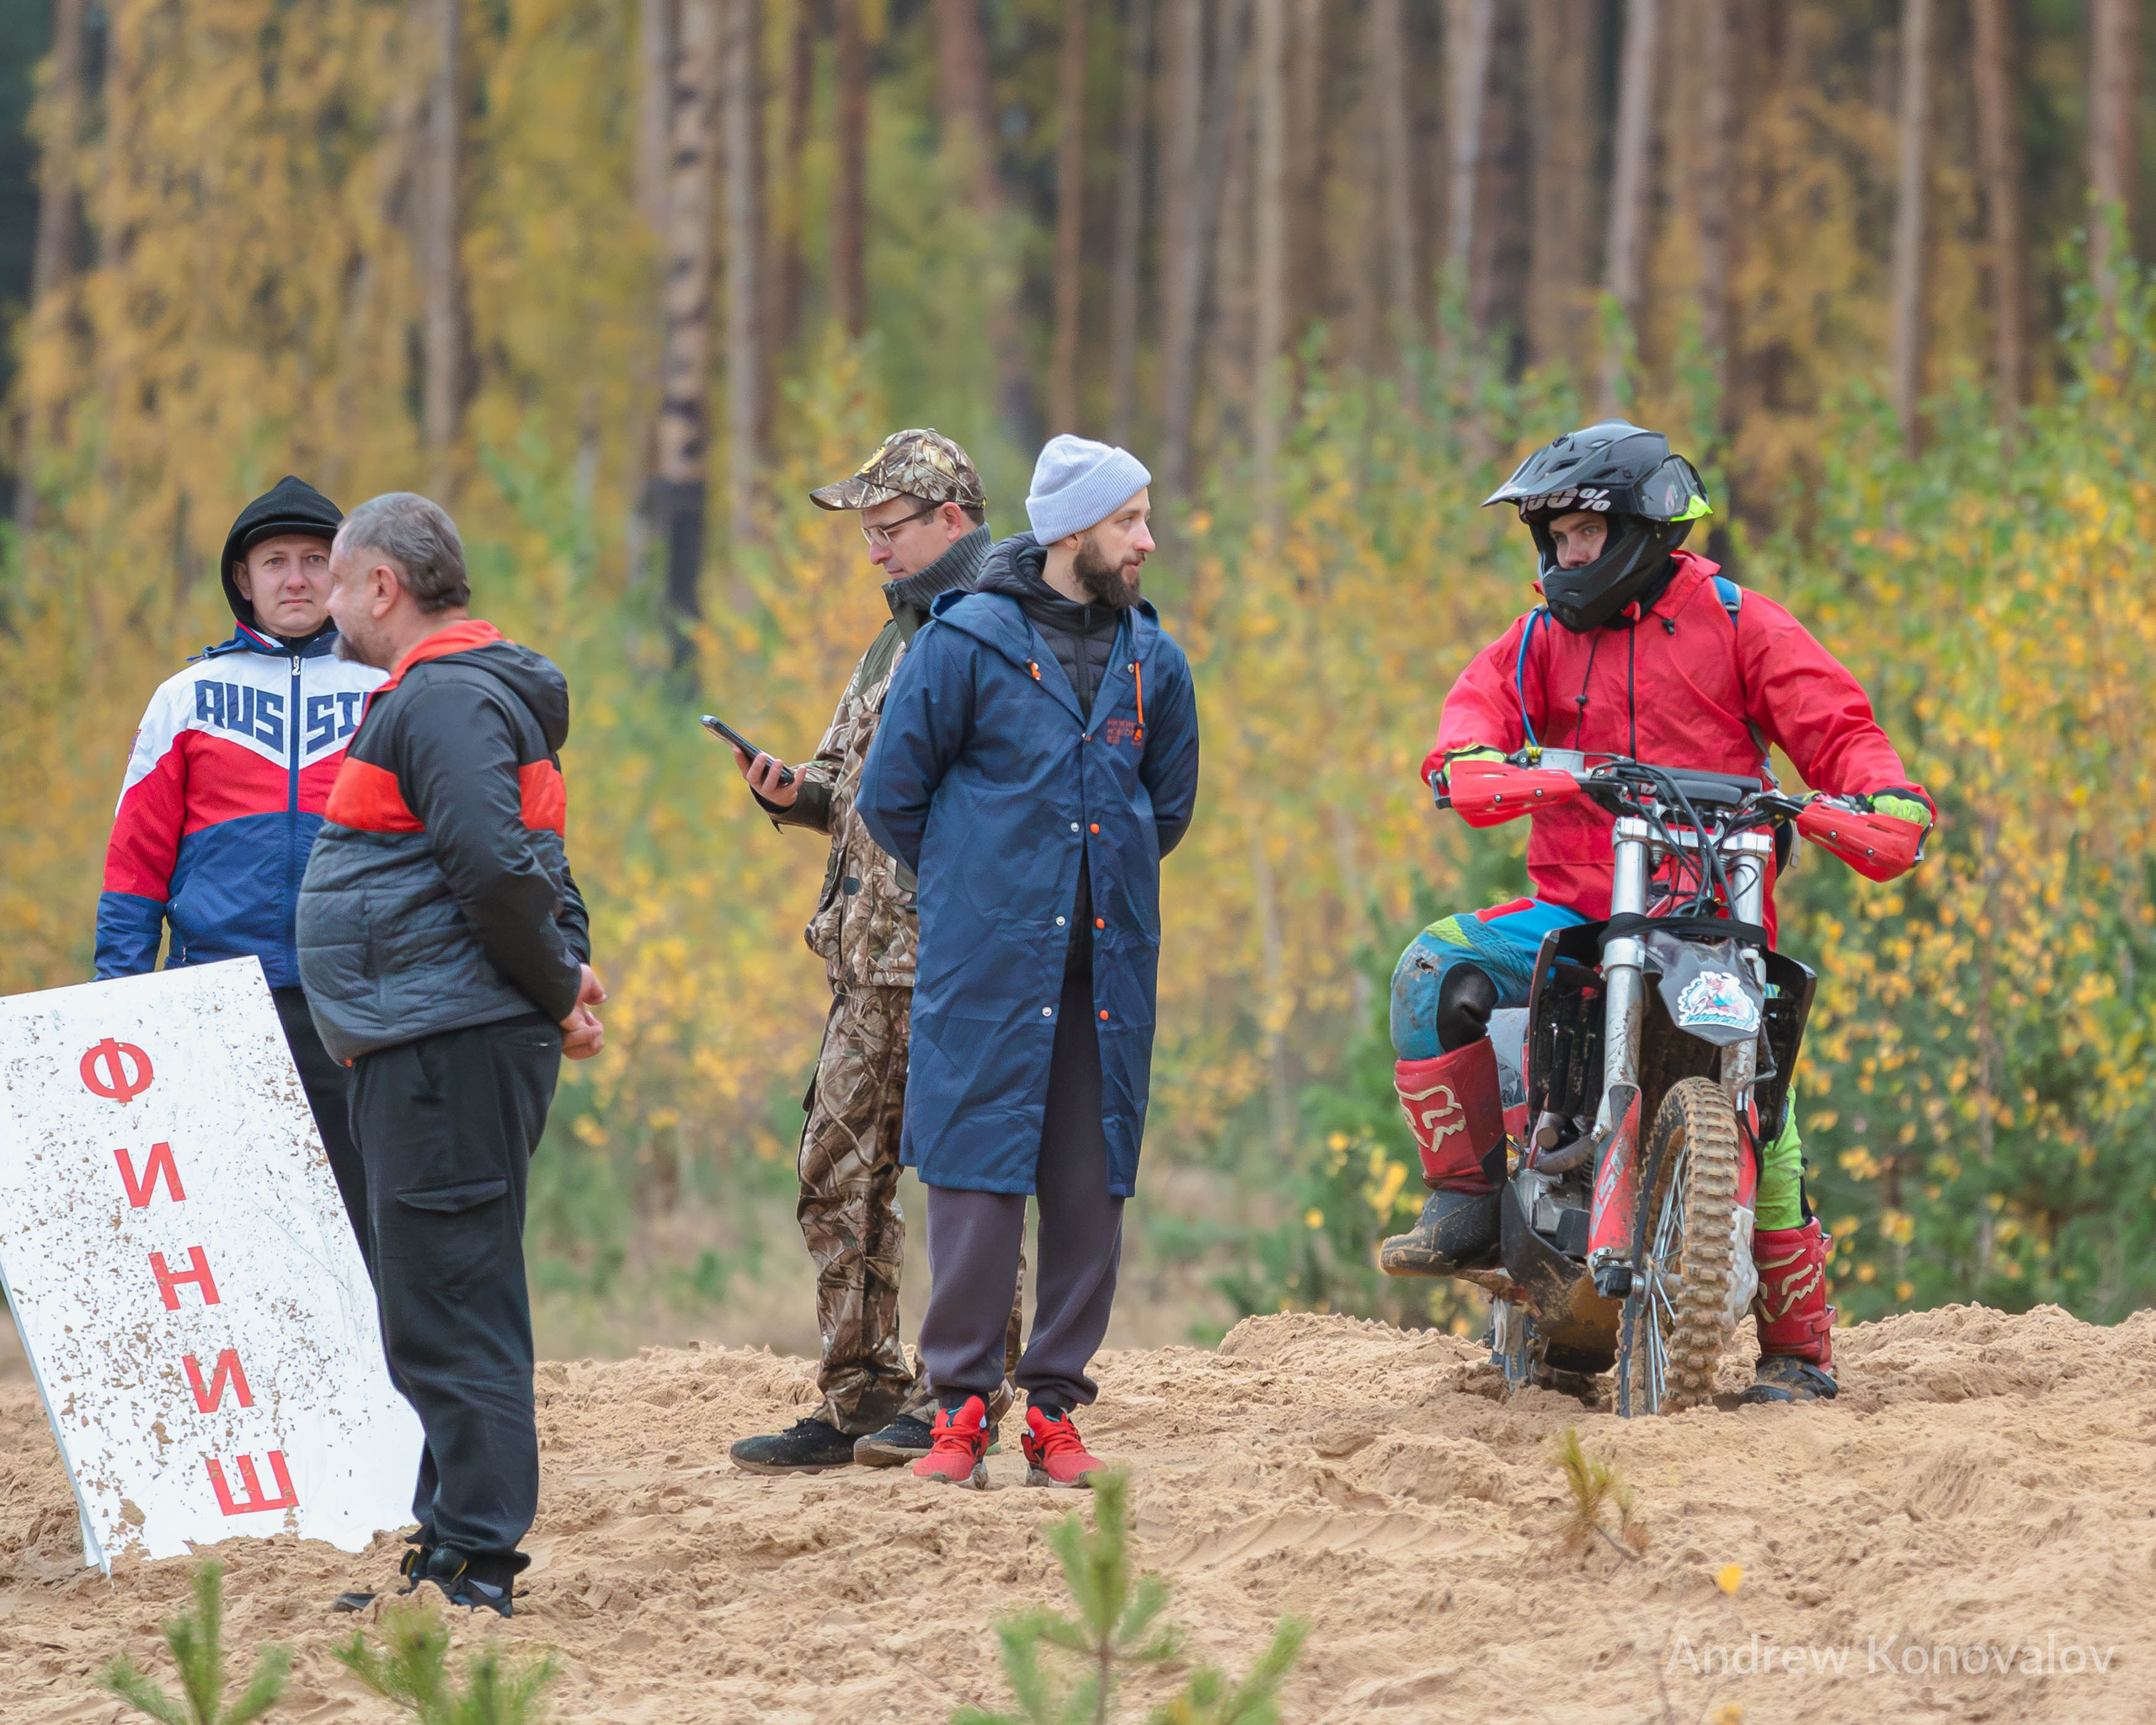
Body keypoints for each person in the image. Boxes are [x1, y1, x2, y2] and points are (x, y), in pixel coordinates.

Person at [1380, 419, 1934, 1404]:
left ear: (1640, 526)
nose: (1562, 552)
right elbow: (1475, 711)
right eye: (1550, 535)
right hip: (1573, 910)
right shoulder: (1540, 637)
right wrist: (1468, 755)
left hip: (1713, 919)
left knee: (1769, 1106)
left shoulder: (1737, 621)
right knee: (1433, 968)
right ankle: (1465, 1203)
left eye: (1581, 531)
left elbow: (1838, 725)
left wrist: (1880, 794)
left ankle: (1799, 1349)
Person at [857, 434, 1201, 1488]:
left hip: (1106, 970)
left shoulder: (1157, 659)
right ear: (1071, 533)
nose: (1147, 539)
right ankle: (959, 1408)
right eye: (1128, 520)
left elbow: (1169, 807)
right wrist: (981, 885)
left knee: (1090, 1184)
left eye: (1144, 517)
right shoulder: (966, 642)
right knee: (972, 1177)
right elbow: (889, 796)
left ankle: (1054, 1409)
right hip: (988, 969)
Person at [296, 492, 606, 1616]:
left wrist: (555, 982)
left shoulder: (444, 701)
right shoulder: (456, 698)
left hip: (443, 1047)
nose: (324, 600)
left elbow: (494, 868)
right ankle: (447, 1545)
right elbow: (531, 862)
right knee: (436, 1298)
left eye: (334, 577)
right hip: (433, 1040)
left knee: (455, 1301)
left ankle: (476, 1563)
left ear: (382, 585)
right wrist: (564, 973)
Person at [724, 428, 1026, 1475]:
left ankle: (964, 1395)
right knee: (833, 1173)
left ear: (951, 521)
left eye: (886, 529)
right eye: (865, 531)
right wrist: (797, 793)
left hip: (955, 960)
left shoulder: (1001, 627)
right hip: (865, 959)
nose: (872, 552)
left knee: (966, 1182)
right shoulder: (895, 636)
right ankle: (861, 1394)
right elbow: (854, 779)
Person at [96, 477, 384, 1263]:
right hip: (215, 997)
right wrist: (117, 1000)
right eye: (275, 561)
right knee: (227, 1224)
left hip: (355, 997)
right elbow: (135, 864)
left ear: (347, 576)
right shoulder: (184, 699)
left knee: (364, 1224)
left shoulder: (389, 692)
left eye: (316, 560)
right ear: (243, 580)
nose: (296, 578)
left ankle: (374, 1383)